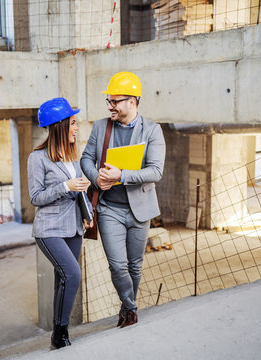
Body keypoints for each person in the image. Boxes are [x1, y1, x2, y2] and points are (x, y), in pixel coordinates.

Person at [80, 71, 165, 328]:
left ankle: (127, 310)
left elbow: (156, 171)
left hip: (140, 209)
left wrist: (122, 175)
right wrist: (97, 178)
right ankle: (131, 307)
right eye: (109, 100)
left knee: (135, 266)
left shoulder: (152, 130)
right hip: (109, 209)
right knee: (118, 266)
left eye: (115, 101)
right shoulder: (100, 127)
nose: (110, 105)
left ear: (133, 101)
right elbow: (85, 159)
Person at [28, 97, 92, 349]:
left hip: (73, 226)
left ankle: (57, 333)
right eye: (73, 123)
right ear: (60, 125)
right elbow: (36, 197)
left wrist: (86, 213)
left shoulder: (71, 156)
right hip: (49, 228)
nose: (76, 128)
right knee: (72, 273)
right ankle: (61, 334)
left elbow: (78, 192)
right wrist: (65, 185)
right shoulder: (38, 158)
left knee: (62, 279)